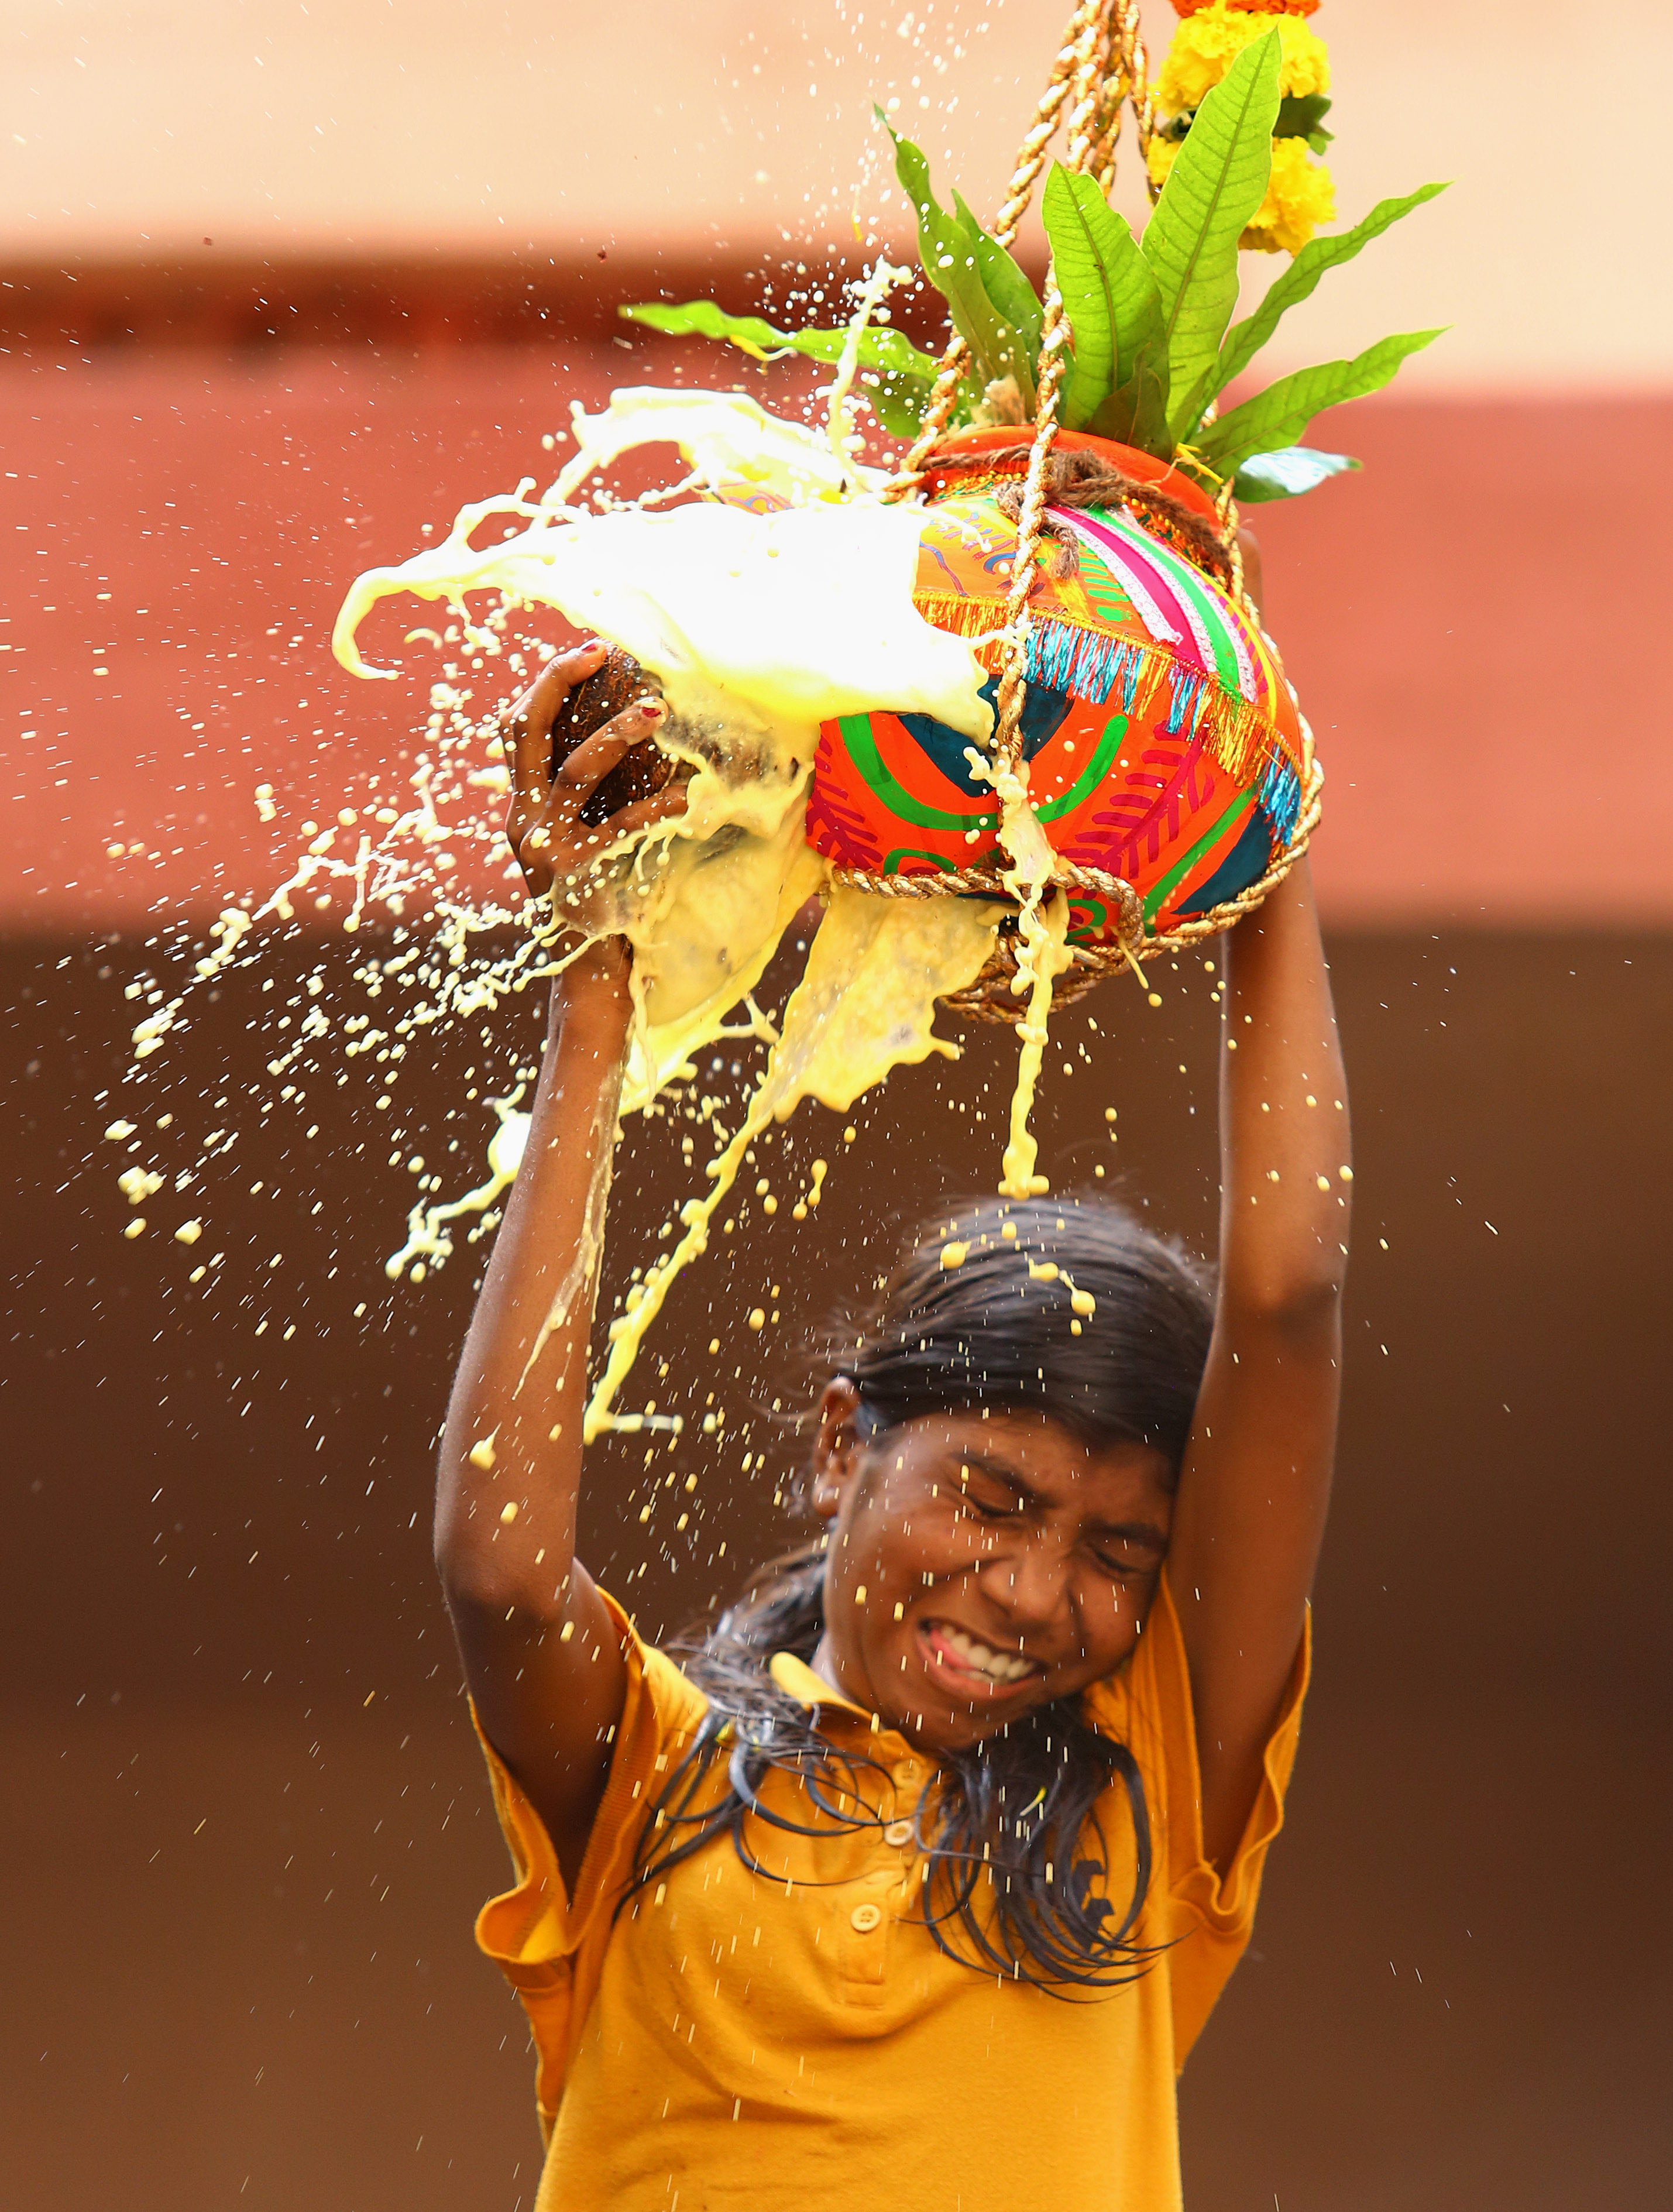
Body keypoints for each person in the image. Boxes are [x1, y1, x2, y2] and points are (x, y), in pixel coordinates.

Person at [437, 633, 1351, 2211]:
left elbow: (1285, 1298)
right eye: (993, 1500)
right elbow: (506, 1572)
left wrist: (1249, 789)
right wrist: (597, 989)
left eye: (1115, 1547)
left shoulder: (1148, 1780)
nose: (1032, 1590)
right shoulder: (654, 1771)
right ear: (841, 1440)